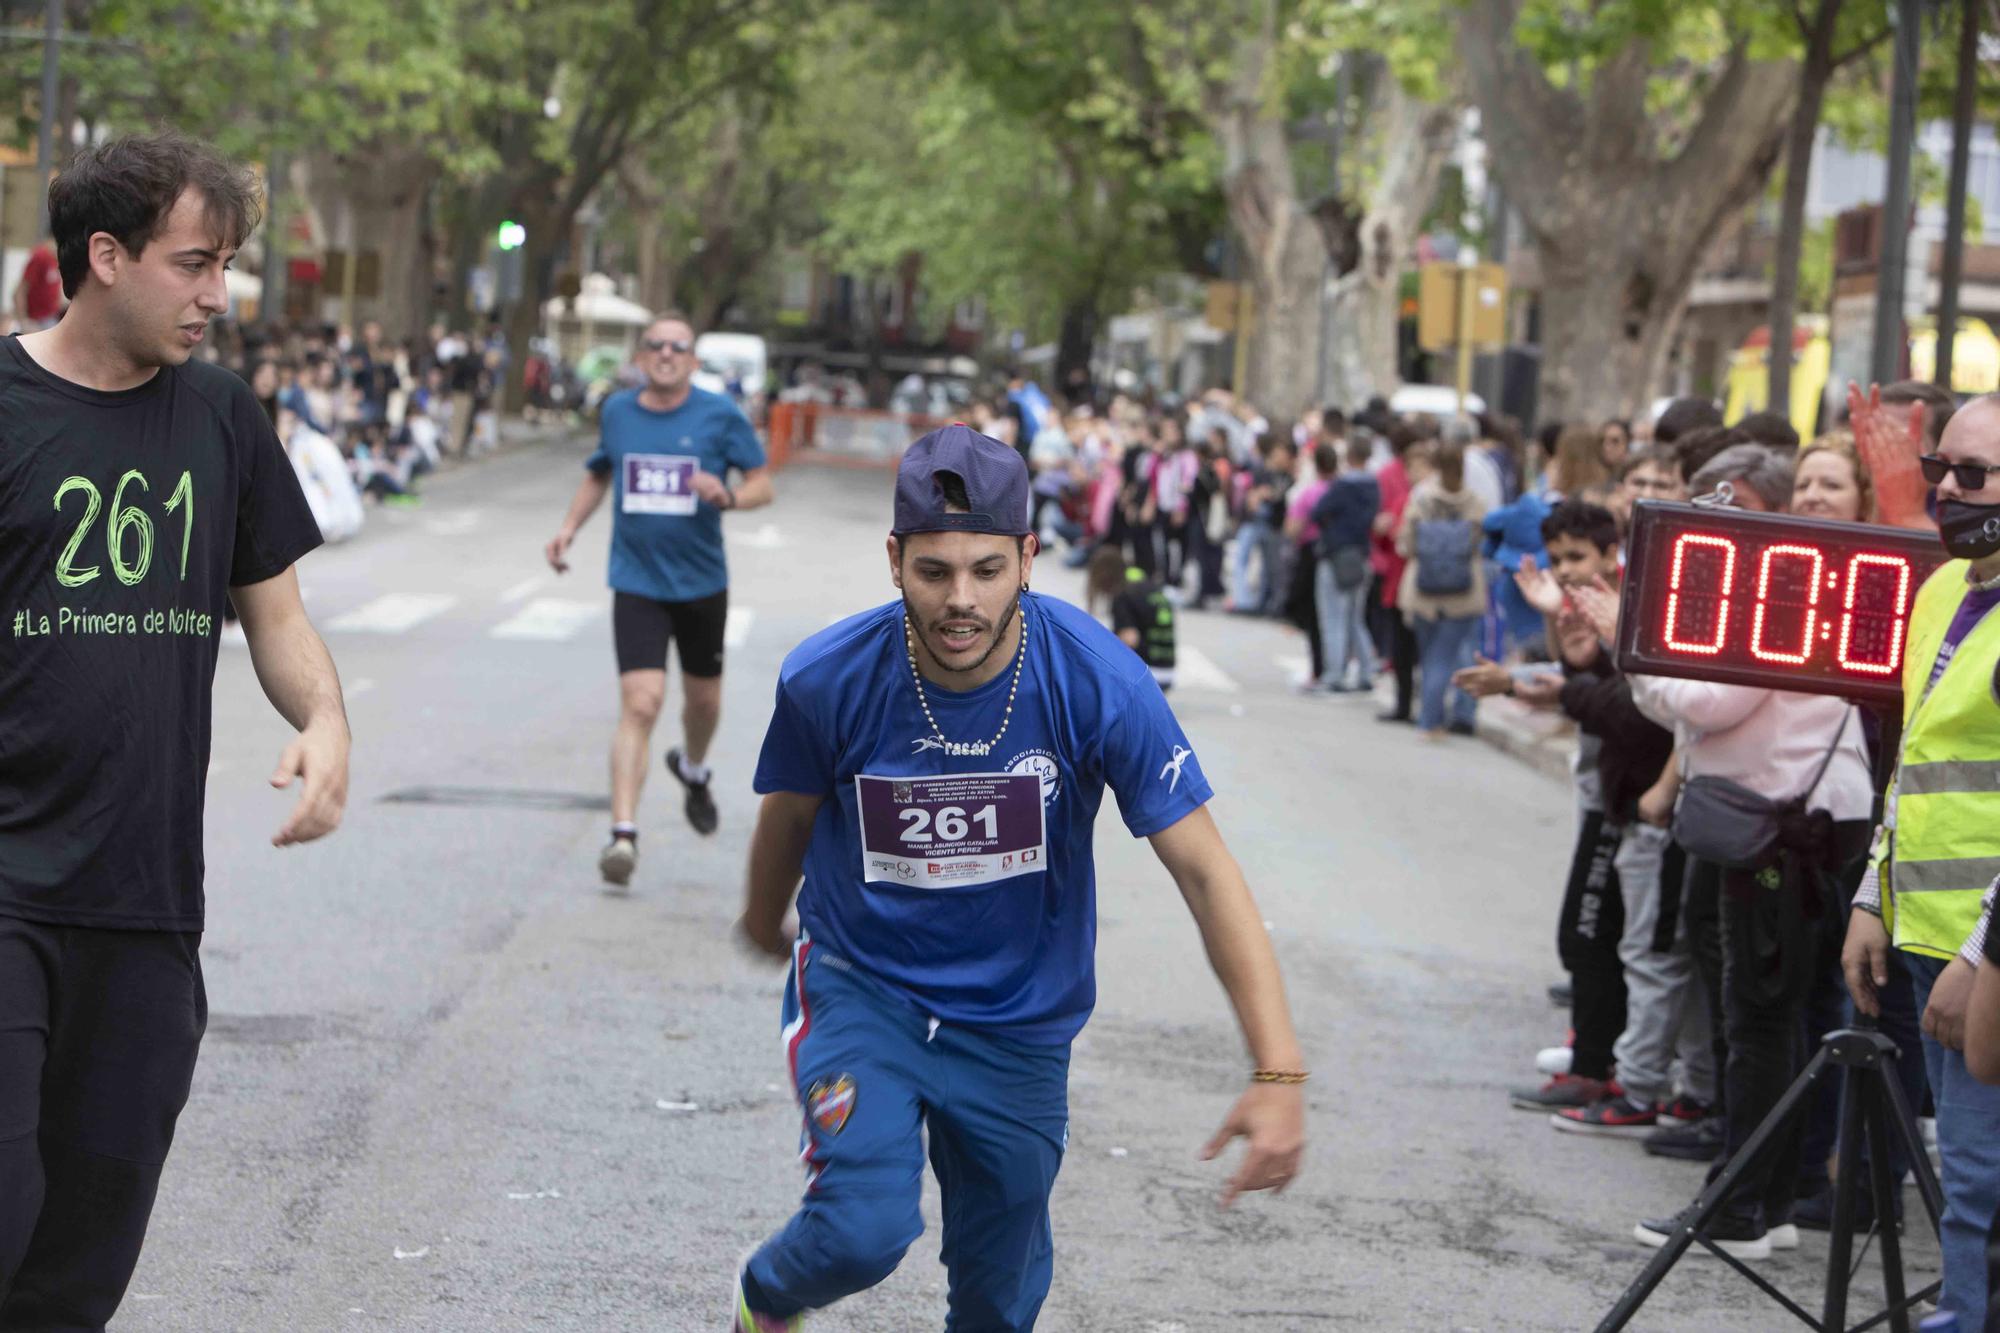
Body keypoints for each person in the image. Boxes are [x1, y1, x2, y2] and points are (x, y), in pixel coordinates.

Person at [731, 424, 1306, 1332]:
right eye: (934, 571)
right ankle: (767, 1295)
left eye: (988, 570)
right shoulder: (828, 677)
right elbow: (791, 815)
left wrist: (1278, 1071)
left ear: (1029, 557)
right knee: (861, 1230)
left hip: (1020, 1026)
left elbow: (1204, 868)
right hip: (864, 987)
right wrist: (765, 920)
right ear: (894, 561)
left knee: (1001, 1304)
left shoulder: (1099, 681)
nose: (961, 599)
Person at [0, 131, 348, 1329]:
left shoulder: (220, 417)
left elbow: (280, 616)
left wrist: (324, 721)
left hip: (146, 903)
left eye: (227, 267)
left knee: (79, 1264)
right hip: (4, 890)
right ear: (105, 256)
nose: (218, 295)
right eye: (196, 264)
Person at [1609, 446, 1873, 1261]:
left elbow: (1710, 700)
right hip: (1804, 823)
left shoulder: (1784, 582)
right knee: (1779, 1016)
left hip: (1787, 829)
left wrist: (1639, 666)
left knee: (1759, 1019)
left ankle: (1735, 1210)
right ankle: (1772, 1201)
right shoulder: (1796, 575)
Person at [1842, 393, 2000, 1321]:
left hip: (1983, 949)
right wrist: (1874, 895)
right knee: (1963, 1174)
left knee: (1980, 1178)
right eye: (1940, 468)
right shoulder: (1944, 586)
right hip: (1922, 928)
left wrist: (1981, 955)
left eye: (1972, 475)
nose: (1946, 489)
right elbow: (1916, 766)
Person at [544, 311, 774, 889]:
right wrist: (570, 526)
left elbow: (763, 485)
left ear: (693, 361)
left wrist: (728, 497)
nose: (666, 354)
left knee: (704, 704)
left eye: (678, 347)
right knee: (641, 703)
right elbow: (600, 471)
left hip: (701, 584)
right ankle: (623, 834)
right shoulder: (618, 412)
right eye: (656, 346)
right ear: (642, 358)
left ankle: (693, 768)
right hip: (637, 580)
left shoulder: (719, 416)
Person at [1396, 439, 1488, 739]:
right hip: (1463, 591)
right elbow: (1481, 545)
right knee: (1445, 657)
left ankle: (1428, 719)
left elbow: (1406, 543)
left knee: (1429, 657)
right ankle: (1432, 719)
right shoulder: (1475, 503)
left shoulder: (1421, 499)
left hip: (1423, 589)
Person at [1310, 434, 1380, 691]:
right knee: (1355, 618)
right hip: (1362, 554)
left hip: (1337, 554)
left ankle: (1334, 674)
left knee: (1333, 618)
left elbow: (1317, 512)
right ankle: (1366, 671)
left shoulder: (1342, 486)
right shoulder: (1374, 486)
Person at [1085, 546, 1176, 690]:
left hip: (1148, 674)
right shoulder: (1140, 578)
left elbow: (1130, 639)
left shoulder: (1122, 594)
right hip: (1167, 670)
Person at [11, 239, 63, 332]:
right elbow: (20, 291)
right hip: (35, 319)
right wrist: (24, 320)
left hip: (50, 316)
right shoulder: (40, 256)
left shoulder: (57, 259)